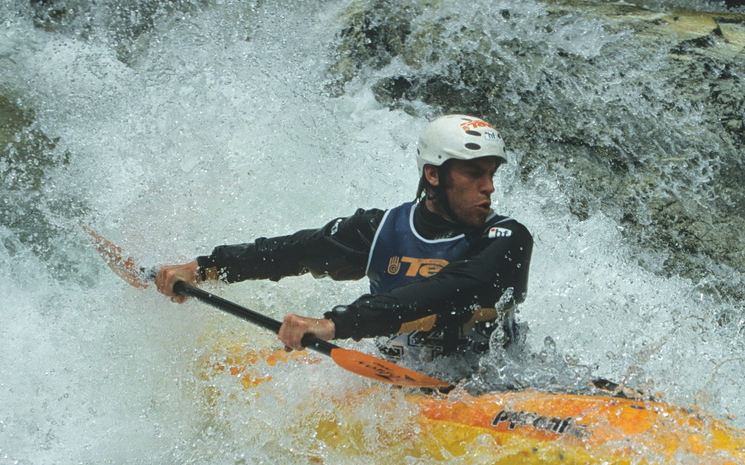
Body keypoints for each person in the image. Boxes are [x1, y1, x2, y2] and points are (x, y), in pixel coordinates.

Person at [154, 114, 532, 369]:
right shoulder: (380, 229)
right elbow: (291, 252)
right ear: (433, 175)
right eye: (474, 173)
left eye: (491, 174)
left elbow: (456, 289)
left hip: (487, 384)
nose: (489, 187)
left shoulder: (507, 238)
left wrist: (336, 324)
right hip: (396, 376)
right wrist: (203, 268)